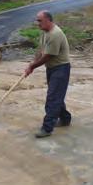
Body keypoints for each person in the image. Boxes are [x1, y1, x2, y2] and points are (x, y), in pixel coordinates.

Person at [24, 10, 71, 138]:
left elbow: (47, 57)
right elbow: (40, 51)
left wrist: (33, 66)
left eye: (40, 20)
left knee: (52, 98)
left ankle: (47, 128)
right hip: (51, 68)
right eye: (37, 20)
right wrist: (31, 65)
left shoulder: (55, 34)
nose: (37, 23)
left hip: (60, 69)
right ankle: (66, 119)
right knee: (56, 94)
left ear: (48, 20)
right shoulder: (45, 32)